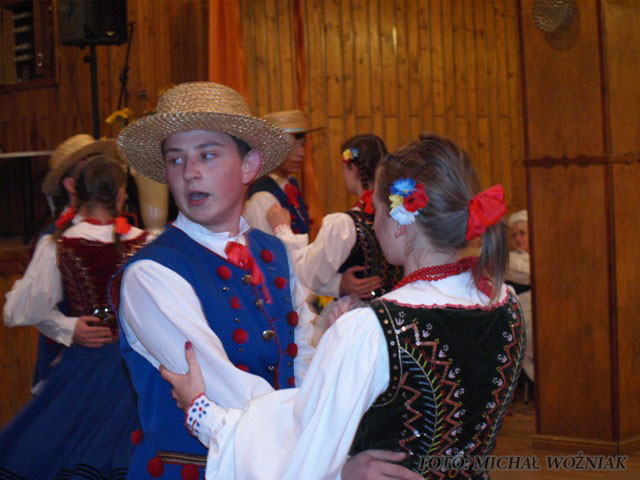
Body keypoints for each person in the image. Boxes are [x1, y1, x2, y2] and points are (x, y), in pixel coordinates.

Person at [161, 133, 526, 479]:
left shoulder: (373, 329)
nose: (375, 221)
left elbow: (302, 456)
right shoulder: (505, 303)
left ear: (400, 224)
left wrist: (203, 413)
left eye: (377, 210)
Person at [112, 82, 414, 480]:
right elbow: (227, 391)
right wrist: (330, 464)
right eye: (176, 159)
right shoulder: (152, 273)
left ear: (249, 166)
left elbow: (302, 361)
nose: (190, 172)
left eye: (207, 154)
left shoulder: (275, 254)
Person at [0, 155, 148, 479]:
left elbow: (18, 311)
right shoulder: (147, 243)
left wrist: (68, 326)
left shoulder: (58, 244)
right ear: (121, 193)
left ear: (77, 192)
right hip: (136, 370)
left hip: (83, 369)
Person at [4, 133, 121, 392]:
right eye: (90, 168)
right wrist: (69, 328)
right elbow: (24, 307)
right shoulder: (53, 240)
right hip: (69, 365)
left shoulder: (127, 233)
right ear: (71, 185)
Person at [267, 134, 402, 299]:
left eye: (343, 167)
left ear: (352, 167)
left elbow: (306, 274)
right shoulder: (400, 217)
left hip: (358, 311)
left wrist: (282, 230)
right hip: (394, 307)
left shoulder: (344, 224)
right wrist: (338, 284)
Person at [244, 109, 319, 245]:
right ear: (271, 148)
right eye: (292, 145)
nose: (301, 153)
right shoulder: (262, 197)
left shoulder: (290, 184)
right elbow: (267, 251)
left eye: (302, 145)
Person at [506, 209, 533, 382]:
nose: (518, 239)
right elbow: (531, 273)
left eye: (522, 233)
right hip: (522, 312)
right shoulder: (512, 259)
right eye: (514, 235)